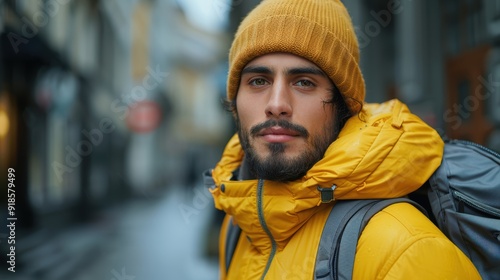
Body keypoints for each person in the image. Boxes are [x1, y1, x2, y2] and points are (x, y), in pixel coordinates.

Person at [205, 0, 481, 279]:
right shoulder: (239, 225)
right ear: (235, 101)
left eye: (304, 82)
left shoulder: (408, 252)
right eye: (258, 81)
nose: (277, 104)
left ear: (344, 106)